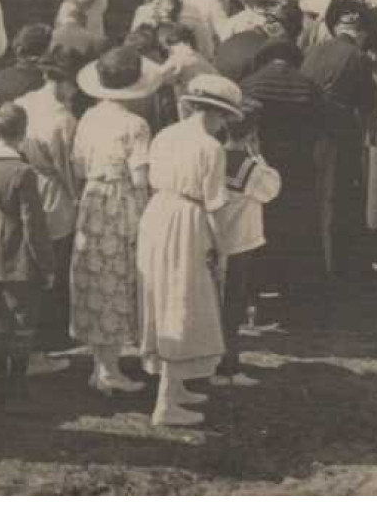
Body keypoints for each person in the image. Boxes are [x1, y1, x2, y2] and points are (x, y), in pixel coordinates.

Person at [136, 74, 242, 427]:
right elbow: (214, 204)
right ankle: (165, 404)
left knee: (165, 298)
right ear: (217, 114)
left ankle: (176, 387)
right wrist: (221, 248)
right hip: (186, 222)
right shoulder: (210, 148)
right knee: (181, 300)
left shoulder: (166, 134)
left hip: (158, 215)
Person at [69, 47, 160, 395]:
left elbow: (78, 165)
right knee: (118, 275)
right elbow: (140, 177)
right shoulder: (136, 125)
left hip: (92, 198)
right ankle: (109, 369)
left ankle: (101, 363)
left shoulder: (89, 118)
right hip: (120, 200)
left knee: (94, 276)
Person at [0, 103, 55, 411]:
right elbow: (33, 223)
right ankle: (17, 389)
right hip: (17, 246)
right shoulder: (22, 172)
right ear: (23, 130)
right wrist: (46, 264)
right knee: (22, 319)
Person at [239, 38, 328, 308]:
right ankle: (291, 293)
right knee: (294, 232)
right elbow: (320, 124)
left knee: (258, 228)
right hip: (297, 168)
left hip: (262, 165)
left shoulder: (251, 84)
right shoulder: (307, 85)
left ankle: (255, 291)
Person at [301, 0, 377, 279]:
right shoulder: (357, 57)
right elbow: (370, 102)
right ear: (361, 31)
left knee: (316, 196)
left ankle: (317, 262)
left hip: (309, 132)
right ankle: (335, 266)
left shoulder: (313, 50)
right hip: (338, 135)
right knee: (336, 198)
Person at [212, 98, 282, 387]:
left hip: (216, 239)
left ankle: (215, 361)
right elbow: (271, 188)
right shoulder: (249, 166)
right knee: (233, 306)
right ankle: (228, 367)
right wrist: (259, 155)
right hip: (239, 243)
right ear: (252, 133)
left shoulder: (216, 155)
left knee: (216, 303)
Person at [18, 45, 83, 352]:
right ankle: (50, 334)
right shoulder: (64, 120)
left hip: (26, 182)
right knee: (56, 257)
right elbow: (68, 168)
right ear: (63, 82)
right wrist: (77, 196)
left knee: (33, 254)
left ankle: (33, 327)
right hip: (54, 189)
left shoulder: (23, 103)